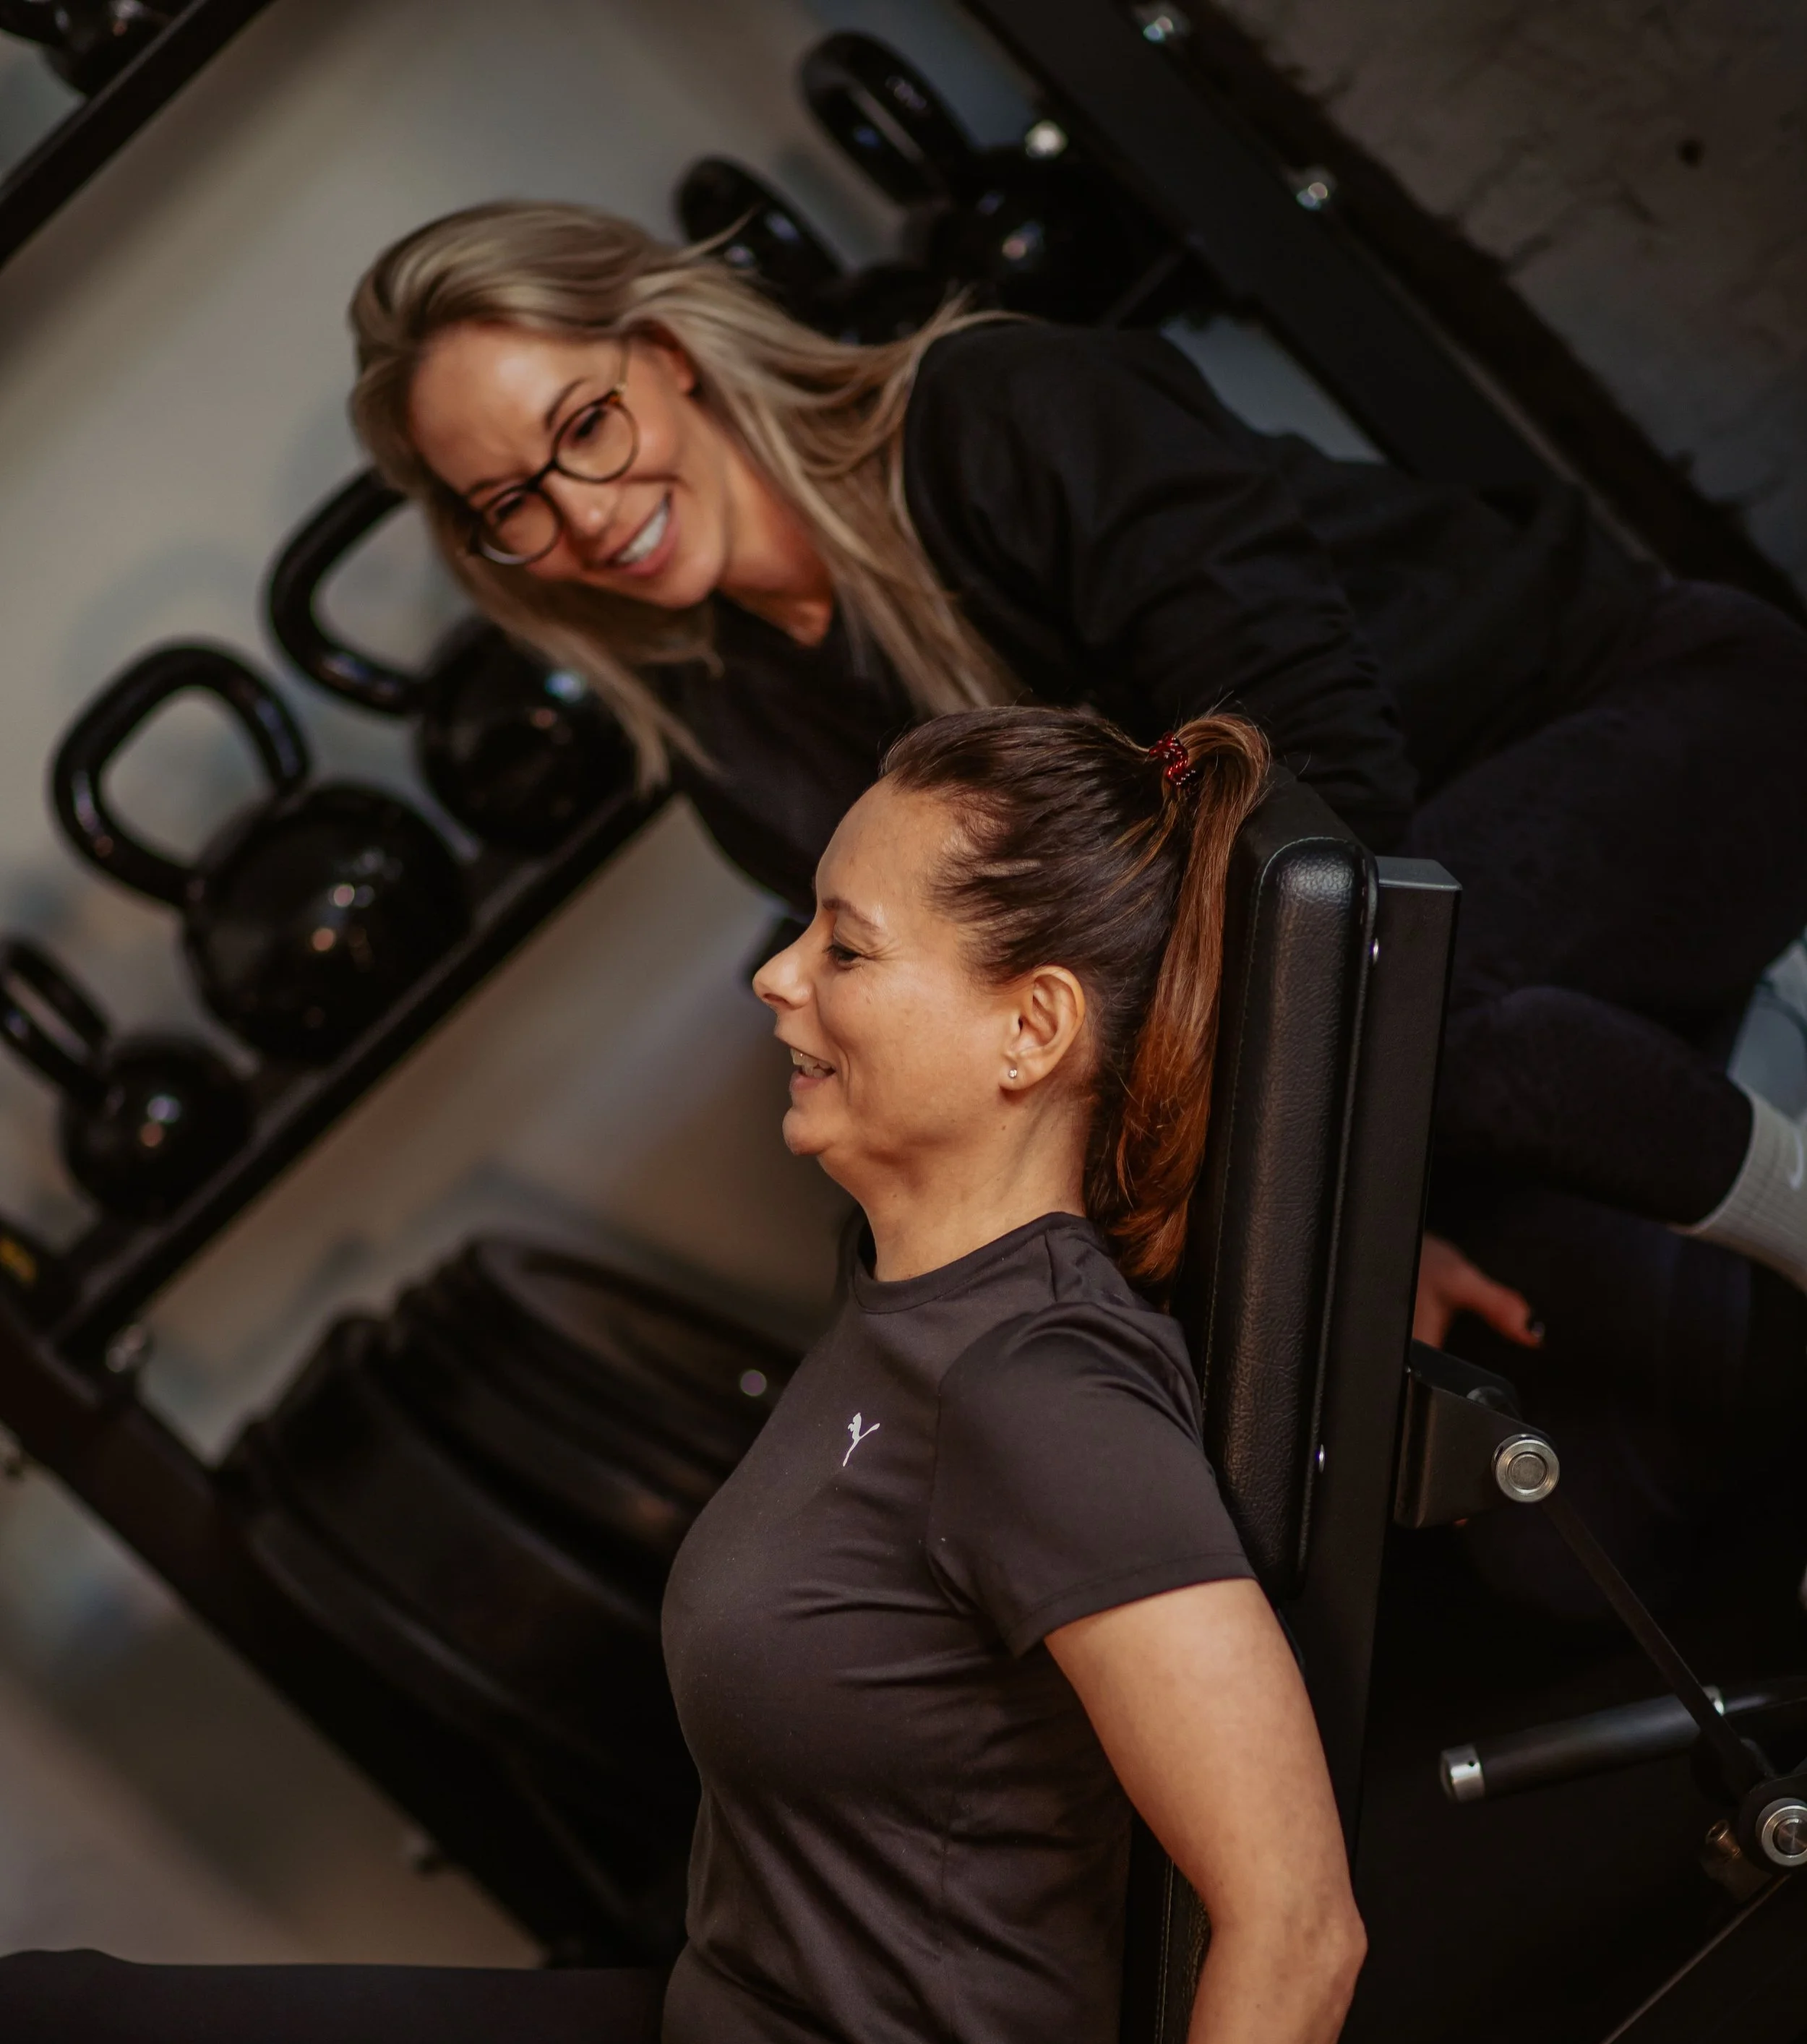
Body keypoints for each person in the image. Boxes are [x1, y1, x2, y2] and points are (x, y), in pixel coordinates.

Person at [0, 704, 1365, 2044]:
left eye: (843, 948)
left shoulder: (1040, 1393)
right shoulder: (904, 1296)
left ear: (1028, 1031)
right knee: (46, 2020)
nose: (774, 977)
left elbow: (1294, 1915)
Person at [349, 202, 1807, 1611]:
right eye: (512, 509)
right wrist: (1364, 1225)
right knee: (1557, 1539)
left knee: (1401, 999)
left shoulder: (998, 408)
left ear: (665, 348)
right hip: (1369, 1018)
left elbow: (1322, 790)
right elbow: (1023, 1061)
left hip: (1639, 738)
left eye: (583, 429)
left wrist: (1329, 1192)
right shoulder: (743, 751)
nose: (585, 519)